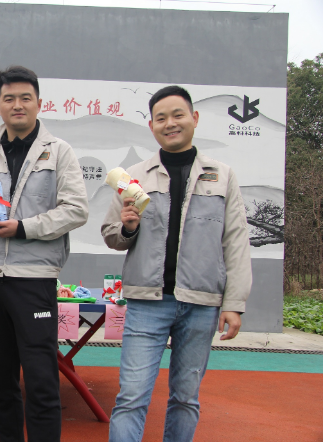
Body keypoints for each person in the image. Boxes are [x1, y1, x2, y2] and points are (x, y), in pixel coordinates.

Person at [101, 85, 252, 442]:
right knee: (131, 398)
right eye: (161, 118)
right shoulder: (133, 176)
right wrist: (128, 227)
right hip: (146, 303)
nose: (170, 123)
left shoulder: (222, 175)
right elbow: (111, 234)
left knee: (185, 399)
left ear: (194, 118)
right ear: (152, 125)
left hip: (201, 304)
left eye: (178, 115)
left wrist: (234, 303)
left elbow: (235, 241)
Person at [0, 66, 89, 442]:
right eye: (9, 98)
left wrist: (22, 227)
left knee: (41, 380)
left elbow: (76, 210)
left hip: (33, 279)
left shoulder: (59, 152)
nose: (17, 105)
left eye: (25, 98)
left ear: (38, 103)